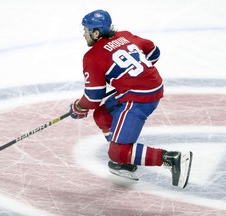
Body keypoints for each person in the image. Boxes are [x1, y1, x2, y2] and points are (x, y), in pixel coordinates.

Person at [69, 9, 193, 189]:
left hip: (137, 99)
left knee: (116, 152)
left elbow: (93, 97)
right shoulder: (125, 36)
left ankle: (171, 158)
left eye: (86, 30)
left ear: (96, 32)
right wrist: (135, 76)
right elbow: (154, 52)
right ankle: (125, 159)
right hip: (148, 88)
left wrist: (79, 107)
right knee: (102, 116)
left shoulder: (92, 57)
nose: (84, 34)